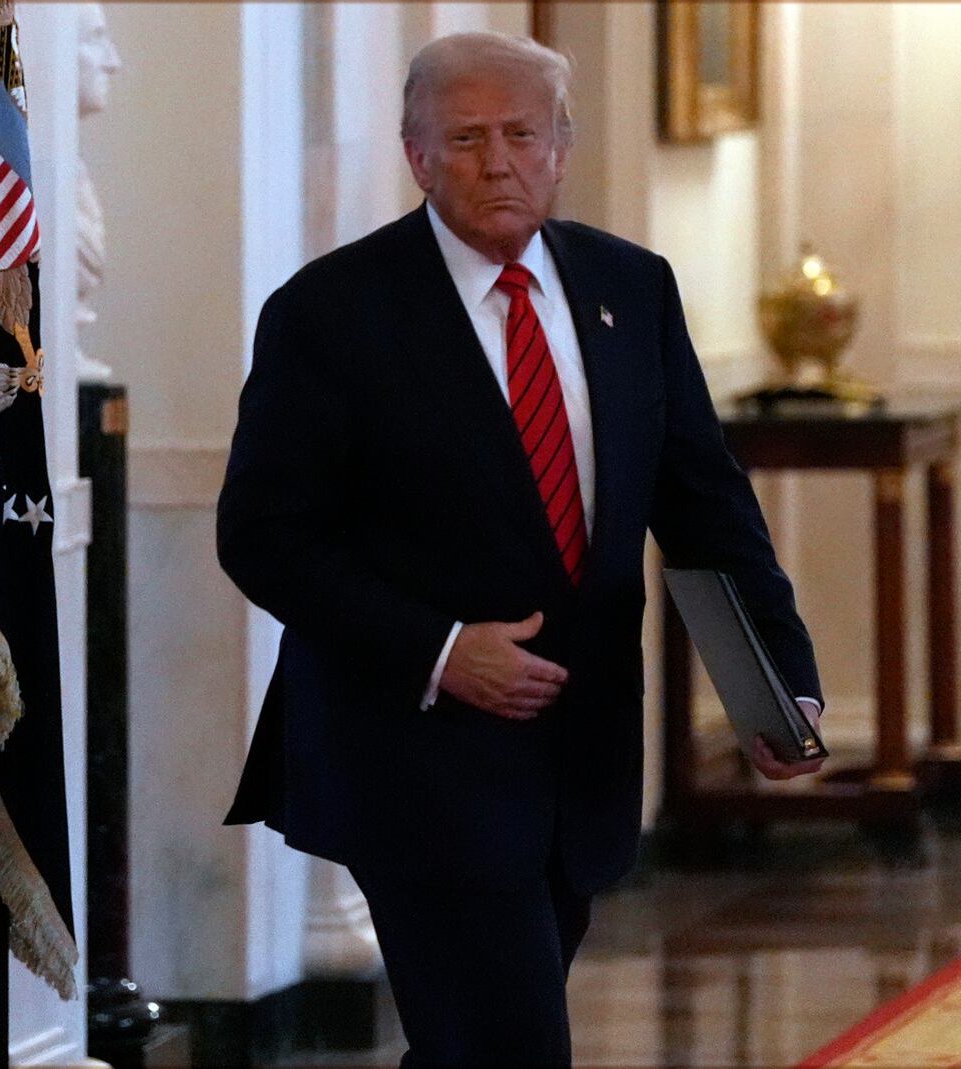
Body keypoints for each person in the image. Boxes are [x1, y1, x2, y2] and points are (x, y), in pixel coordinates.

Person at [217, 31, 825, 1068]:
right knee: (509, 1045)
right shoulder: (331, 313)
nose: (497, 162)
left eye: (520, 135)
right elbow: (263, 537)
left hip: (576, 754)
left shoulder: (629, 289)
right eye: (463, 139)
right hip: (408, 752)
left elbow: (705, 503)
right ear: (415, 155)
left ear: (562, 146)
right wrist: (442, 649)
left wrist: (779, 682)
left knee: (471, 1043)